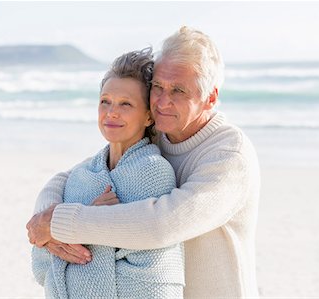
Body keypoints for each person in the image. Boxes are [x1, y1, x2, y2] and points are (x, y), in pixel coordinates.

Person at [27, 26, 260, 298]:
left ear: (210, 98)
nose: (162, 101)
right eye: (158, 87)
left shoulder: (229, 153)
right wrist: (45, 216)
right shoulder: (161, 133)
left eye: (179, 91)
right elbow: (71, 176)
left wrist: (61, 224)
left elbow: (163, 224)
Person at [30, 48, 185, 298]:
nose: (111, 112)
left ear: (148, 116)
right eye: (105, 101)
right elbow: (41, 264)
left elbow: (152, 277)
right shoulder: (82, 174)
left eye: (125, 104)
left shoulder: (154, 174)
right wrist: (89, 221)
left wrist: (74, 230)